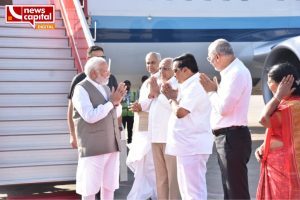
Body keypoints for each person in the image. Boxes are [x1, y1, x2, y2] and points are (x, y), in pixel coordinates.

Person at [200, 38, 252, 199]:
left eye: (209, 58)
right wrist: (215, 90)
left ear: (217, 56)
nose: (210, 63)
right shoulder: (232, 71)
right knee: (231, 190)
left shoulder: (235, 73)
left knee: (236, 192)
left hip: (232, 137)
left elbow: (223, 108)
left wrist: (210, 91)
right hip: (230, 137)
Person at [72, 57, 126, 200]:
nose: (109, 74)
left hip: (111, 145)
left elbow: (116, 113)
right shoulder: (80, 89)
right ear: (94, 73)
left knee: (109, 186)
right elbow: (89, 116)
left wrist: (117, 103)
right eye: (105, 71)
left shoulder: (106, 88)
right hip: (93, 147)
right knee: (89, 188)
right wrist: (111, 102)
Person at [163, 53, 214, 199]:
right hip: (186, 146)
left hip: (193, 146)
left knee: (193, 191)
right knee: (187, 190)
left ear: (186, 70)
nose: (174, 76)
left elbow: (181, 112)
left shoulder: (196, 85)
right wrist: (172, 95)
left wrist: (170, 99)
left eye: (175, 71)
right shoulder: (188, 84)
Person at [255, 63, 300, 199]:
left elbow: (263, 119)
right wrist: (263, 147)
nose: (268, 84)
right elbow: (280, 133)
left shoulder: (287, 108)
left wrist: (278, 96)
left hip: (284, 168)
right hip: (286, 166)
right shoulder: (290, 104)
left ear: (282, 84)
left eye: (269, 80)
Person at [67, 45, 119, 148]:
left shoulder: (111, 78)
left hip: (108, 136)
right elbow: (71, 109)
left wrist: (119, 127)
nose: (99, 61)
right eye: (96, 58)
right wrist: (72, 135)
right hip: (88, 137)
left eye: (102, 58)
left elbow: (116, 103)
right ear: (88, 59)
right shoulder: (79, 80)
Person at [126, 52, 161, 200]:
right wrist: (138, 106)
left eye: (153, 62)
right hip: (143, 130)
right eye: (147, 63)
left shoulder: (162, 80)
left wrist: (141, 106)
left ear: (159, 63)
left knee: (152, 167)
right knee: (144, 166)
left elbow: (154, 101)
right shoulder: (147, 82)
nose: (149, 65)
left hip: (154, 131)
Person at [148, 58, 181, 199]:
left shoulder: (177, 84)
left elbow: (175, 107)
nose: (161, 71)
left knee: (173, 178)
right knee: (161, 178)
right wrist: (153, 92)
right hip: (155, 138)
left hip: (169, 139)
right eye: (160, 68)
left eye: (165, 68)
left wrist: (158, 93)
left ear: (174, 70)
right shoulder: (156, 83)